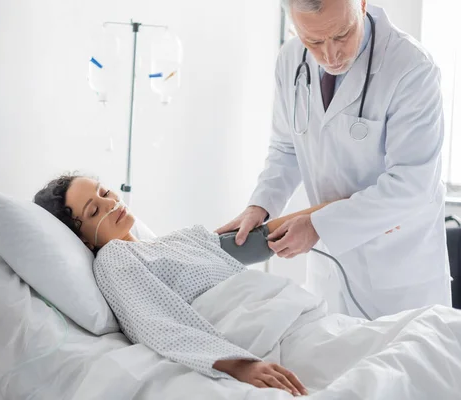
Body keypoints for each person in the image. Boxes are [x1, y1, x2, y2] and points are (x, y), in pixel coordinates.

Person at [217, 0, 451, 319]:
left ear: (363, 5)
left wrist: (319, 224)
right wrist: (260, 205)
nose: (330, 55)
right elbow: (286, 148)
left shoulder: (411, 67)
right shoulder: (290, 60)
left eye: (342, 34)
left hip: (398, 274)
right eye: (313, 41)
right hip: (329, 269)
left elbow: (411, 185)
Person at [34, 174, 309, 396]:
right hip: (260, 330)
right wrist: (240, 365)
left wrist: (339, 208)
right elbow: (153, 322)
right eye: (94, 210)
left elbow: (261, 238)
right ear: (83, 240)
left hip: (293, 316)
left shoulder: (179, 240)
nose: (110, 204)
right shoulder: (113, 257)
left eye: (104, 193)